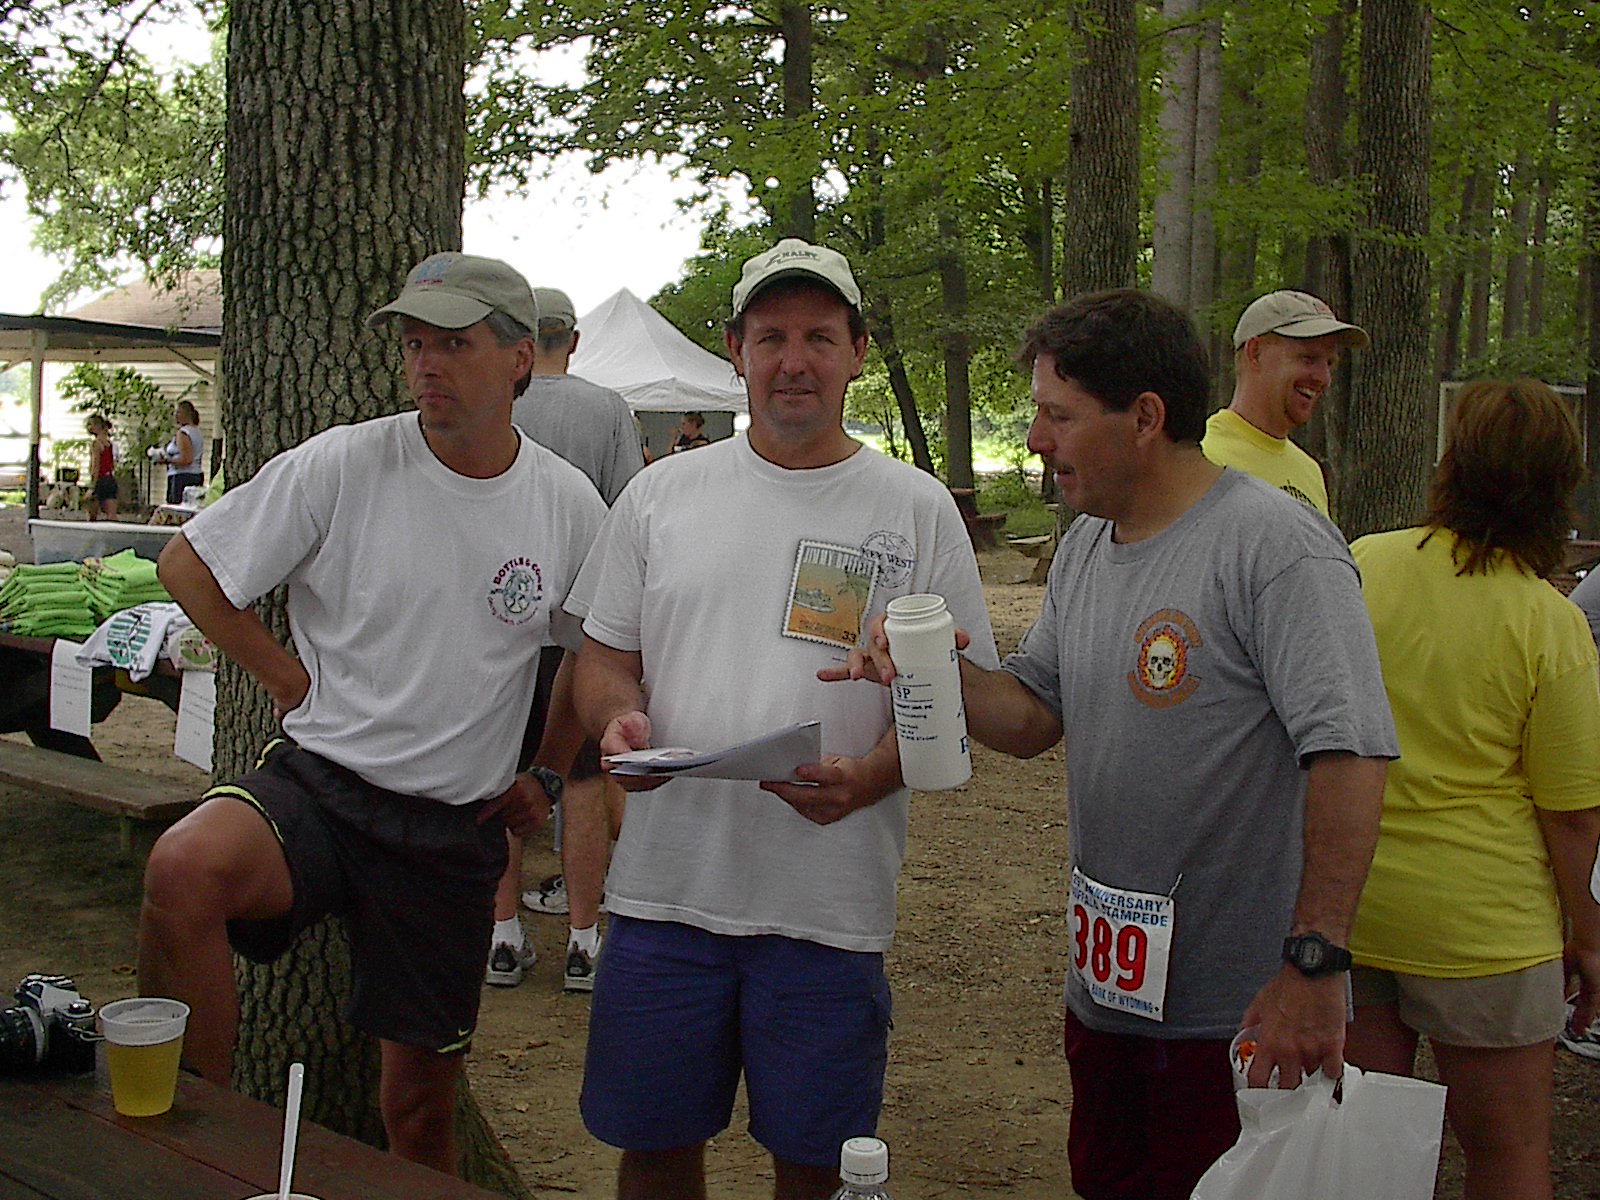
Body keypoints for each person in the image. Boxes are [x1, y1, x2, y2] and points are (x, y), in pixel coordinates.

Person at [841, 289, 1396, 1200]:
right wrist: (931, 666)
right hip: (1108, 1004)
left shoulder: (1276, 549)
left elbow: (1351, 755)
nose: (1034, 441)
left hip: (1239, 1018)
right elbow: (1030, 718)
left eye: (1057, 416)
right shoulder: (1090, 547)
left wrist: (1315, 963)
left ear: (1145, 418)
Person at [136, 252, 607, 1173]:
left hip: (448, 828)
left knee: (421, 1109)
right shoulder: (345, 463)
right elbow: (188, 564)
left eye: (454, 345)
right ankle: (198, 1148)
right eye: (415, 345)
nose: (428, 365)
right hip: (320, 786)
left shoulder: (564, 503)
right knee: (184, 868)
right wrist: (281, 676)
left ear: (518, 360)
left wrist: (547, 772)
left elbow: (591, 652)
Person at [567, 237, 999, 1199]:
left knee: (816, 1163)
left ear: (856, 351)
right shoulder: (659, 495)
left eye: (818, 336)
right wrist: (618, 718)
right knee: (656, 1149)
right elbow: (602, 658)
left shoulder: (917, 510)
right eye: (771, 337)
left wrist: (875, 778)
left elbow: (954, 705)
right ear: (736, 351)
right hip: (664, 893)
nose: (793, 360)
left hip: (828, 910)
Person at [1344, 378, 1600, 1199]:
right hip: (1485, 933)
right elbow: (1570, 812)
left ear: (1450, 462)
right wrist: (1588, 936)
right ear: (1559, 483)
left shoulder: (1363, 563)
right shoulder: (1548, 621)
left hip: (1352, 904)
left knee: (1364, 1151)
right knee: (1507, 1152)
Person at [489, 285, 645, 992]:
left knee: (497, 775)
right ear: (572, 341)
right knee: (579, 781)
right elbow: (628, 512)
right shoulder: (606, 409)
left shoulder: (499, 399)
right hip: (583, 623)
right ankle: (584, 940)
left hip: (500, 620)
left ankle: (501, 935)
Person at [1201, 289, 1368, 515]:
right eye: (1308, 359)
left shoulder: (1310, 471)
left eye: (1329, 363)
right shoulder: (1205, 458)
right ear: (1255, 352)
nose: (1323, 378)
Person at [148, 399, 206, 504]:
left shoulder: (183, 433)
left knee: (176, 507)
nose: (176, 415)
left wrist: (166, 460)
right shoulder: (197, 432)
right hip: (196, 474)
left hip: (181, 477)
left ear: (186, 414)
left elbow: (186, 459)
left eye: (178, 412)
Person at [84, 413, 117, 520]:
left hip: (101, 480)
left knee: (91, 511)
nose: (88, 427)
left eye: (90, 424)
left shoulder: (96, 444)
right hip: (110, 479)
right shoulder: (109, 444)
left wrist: (92, 486)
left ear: (98, 426)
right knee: (111, 514)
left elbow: (96, 465)